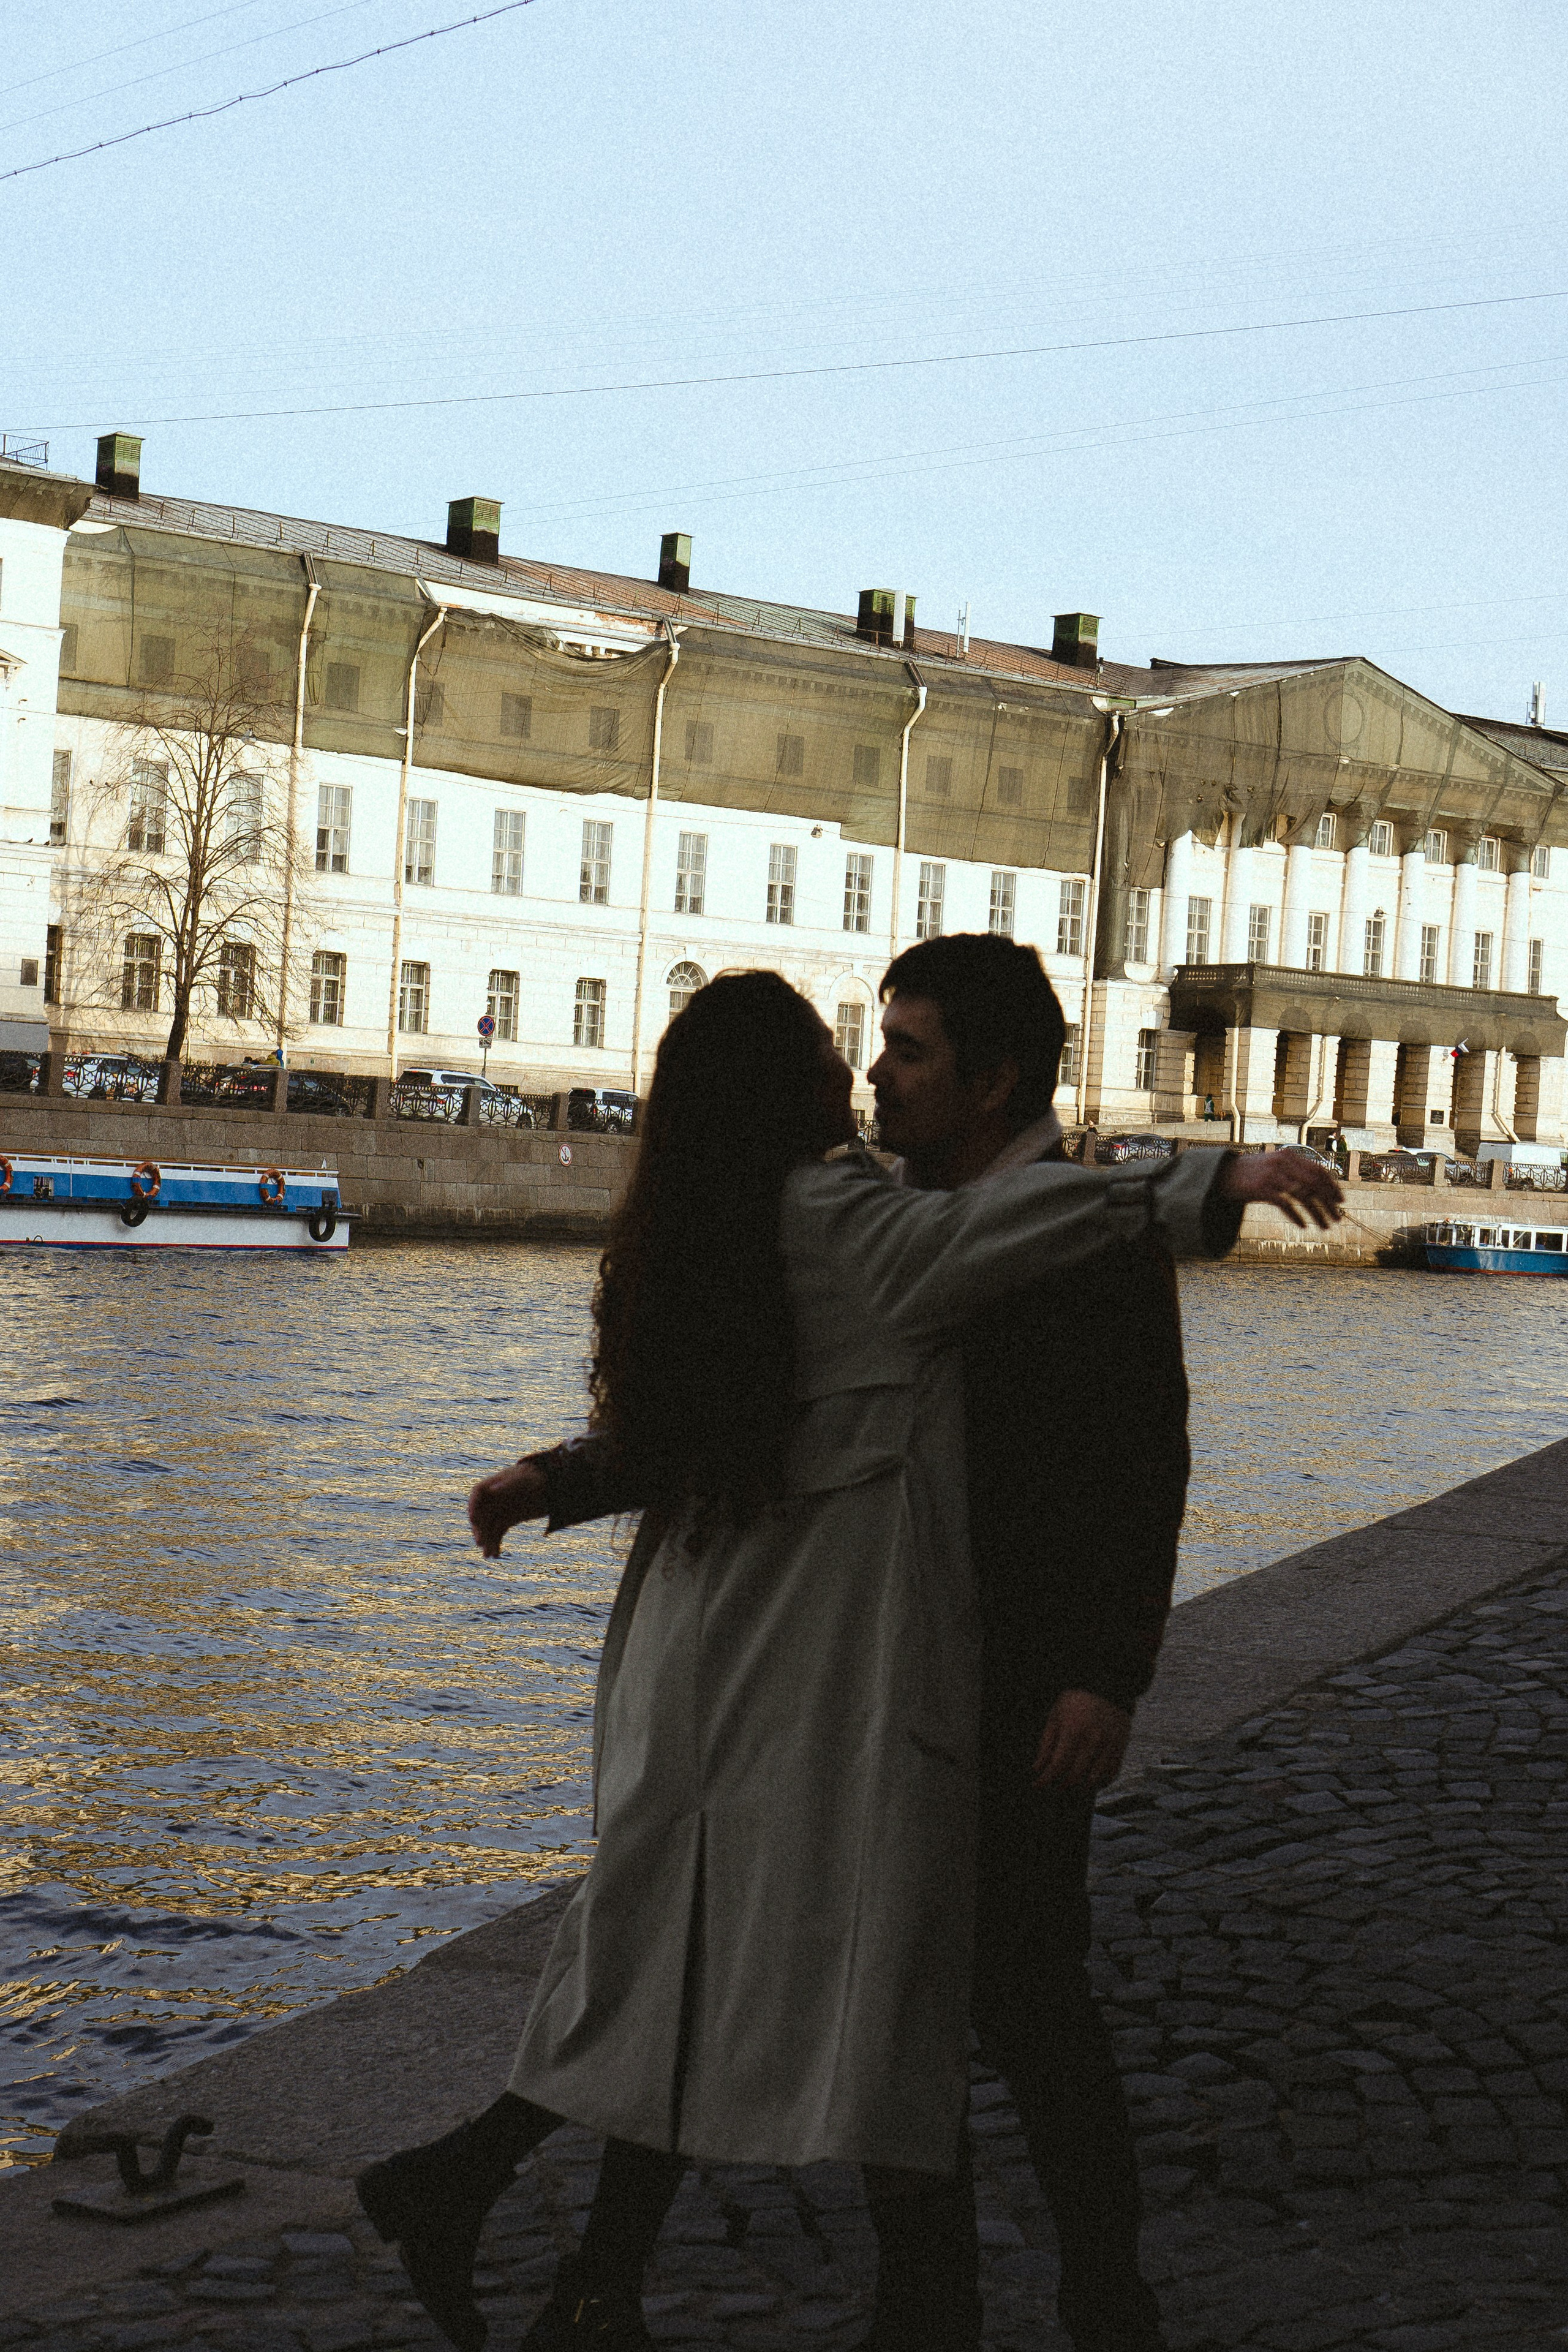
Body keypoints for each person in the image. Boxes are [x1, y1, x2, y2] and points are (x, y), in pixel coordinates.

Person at [357, 970, 1340, 2352]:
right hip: (860, 1673)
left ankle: (1086, 2300)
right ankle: (869, 2304)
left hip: (973, 1683)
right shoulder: (863, 1215)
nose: (874, 1074)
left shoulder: (926, 1219)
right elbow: (753, 1399)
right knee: (850, 1980)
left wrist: (1101, 1676)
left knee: (983, 1997)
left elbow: (1136, 1468)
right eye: (860, 1048)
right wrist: (570, 1477)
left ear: (989, 1081)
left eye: (901, 1050)